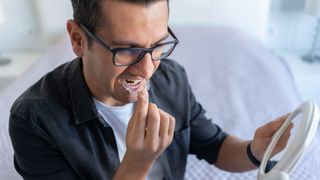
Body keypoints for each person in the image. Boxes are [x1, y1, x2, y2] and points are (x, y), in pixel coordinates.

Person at [9, 0, 293, 180]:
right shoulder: (34, 120)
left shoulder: (173, 79)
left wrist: (255, 149)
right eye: (128, 50)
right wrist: (137, 162)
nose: (147, 71)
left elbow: (215, 147)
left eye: (158, 46)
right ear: (78, 39)